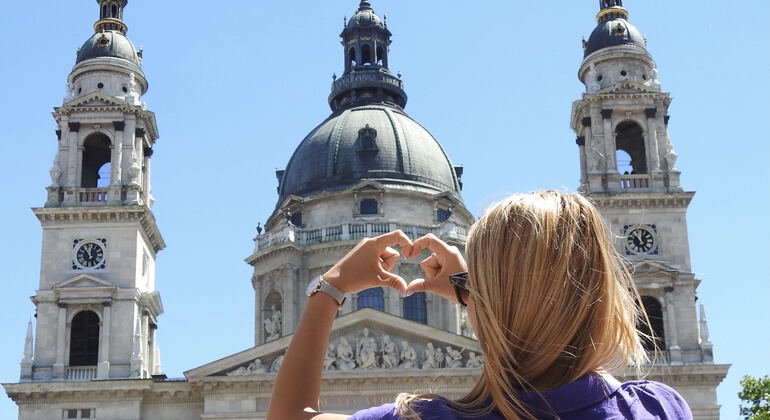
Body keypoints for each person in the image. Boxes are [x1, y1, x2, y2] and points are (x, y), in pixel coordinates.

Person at [266, 190, 692, 419]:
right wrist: (483, 299)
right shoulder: (657, 406)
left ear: (482, 307)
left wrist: (331, 288)